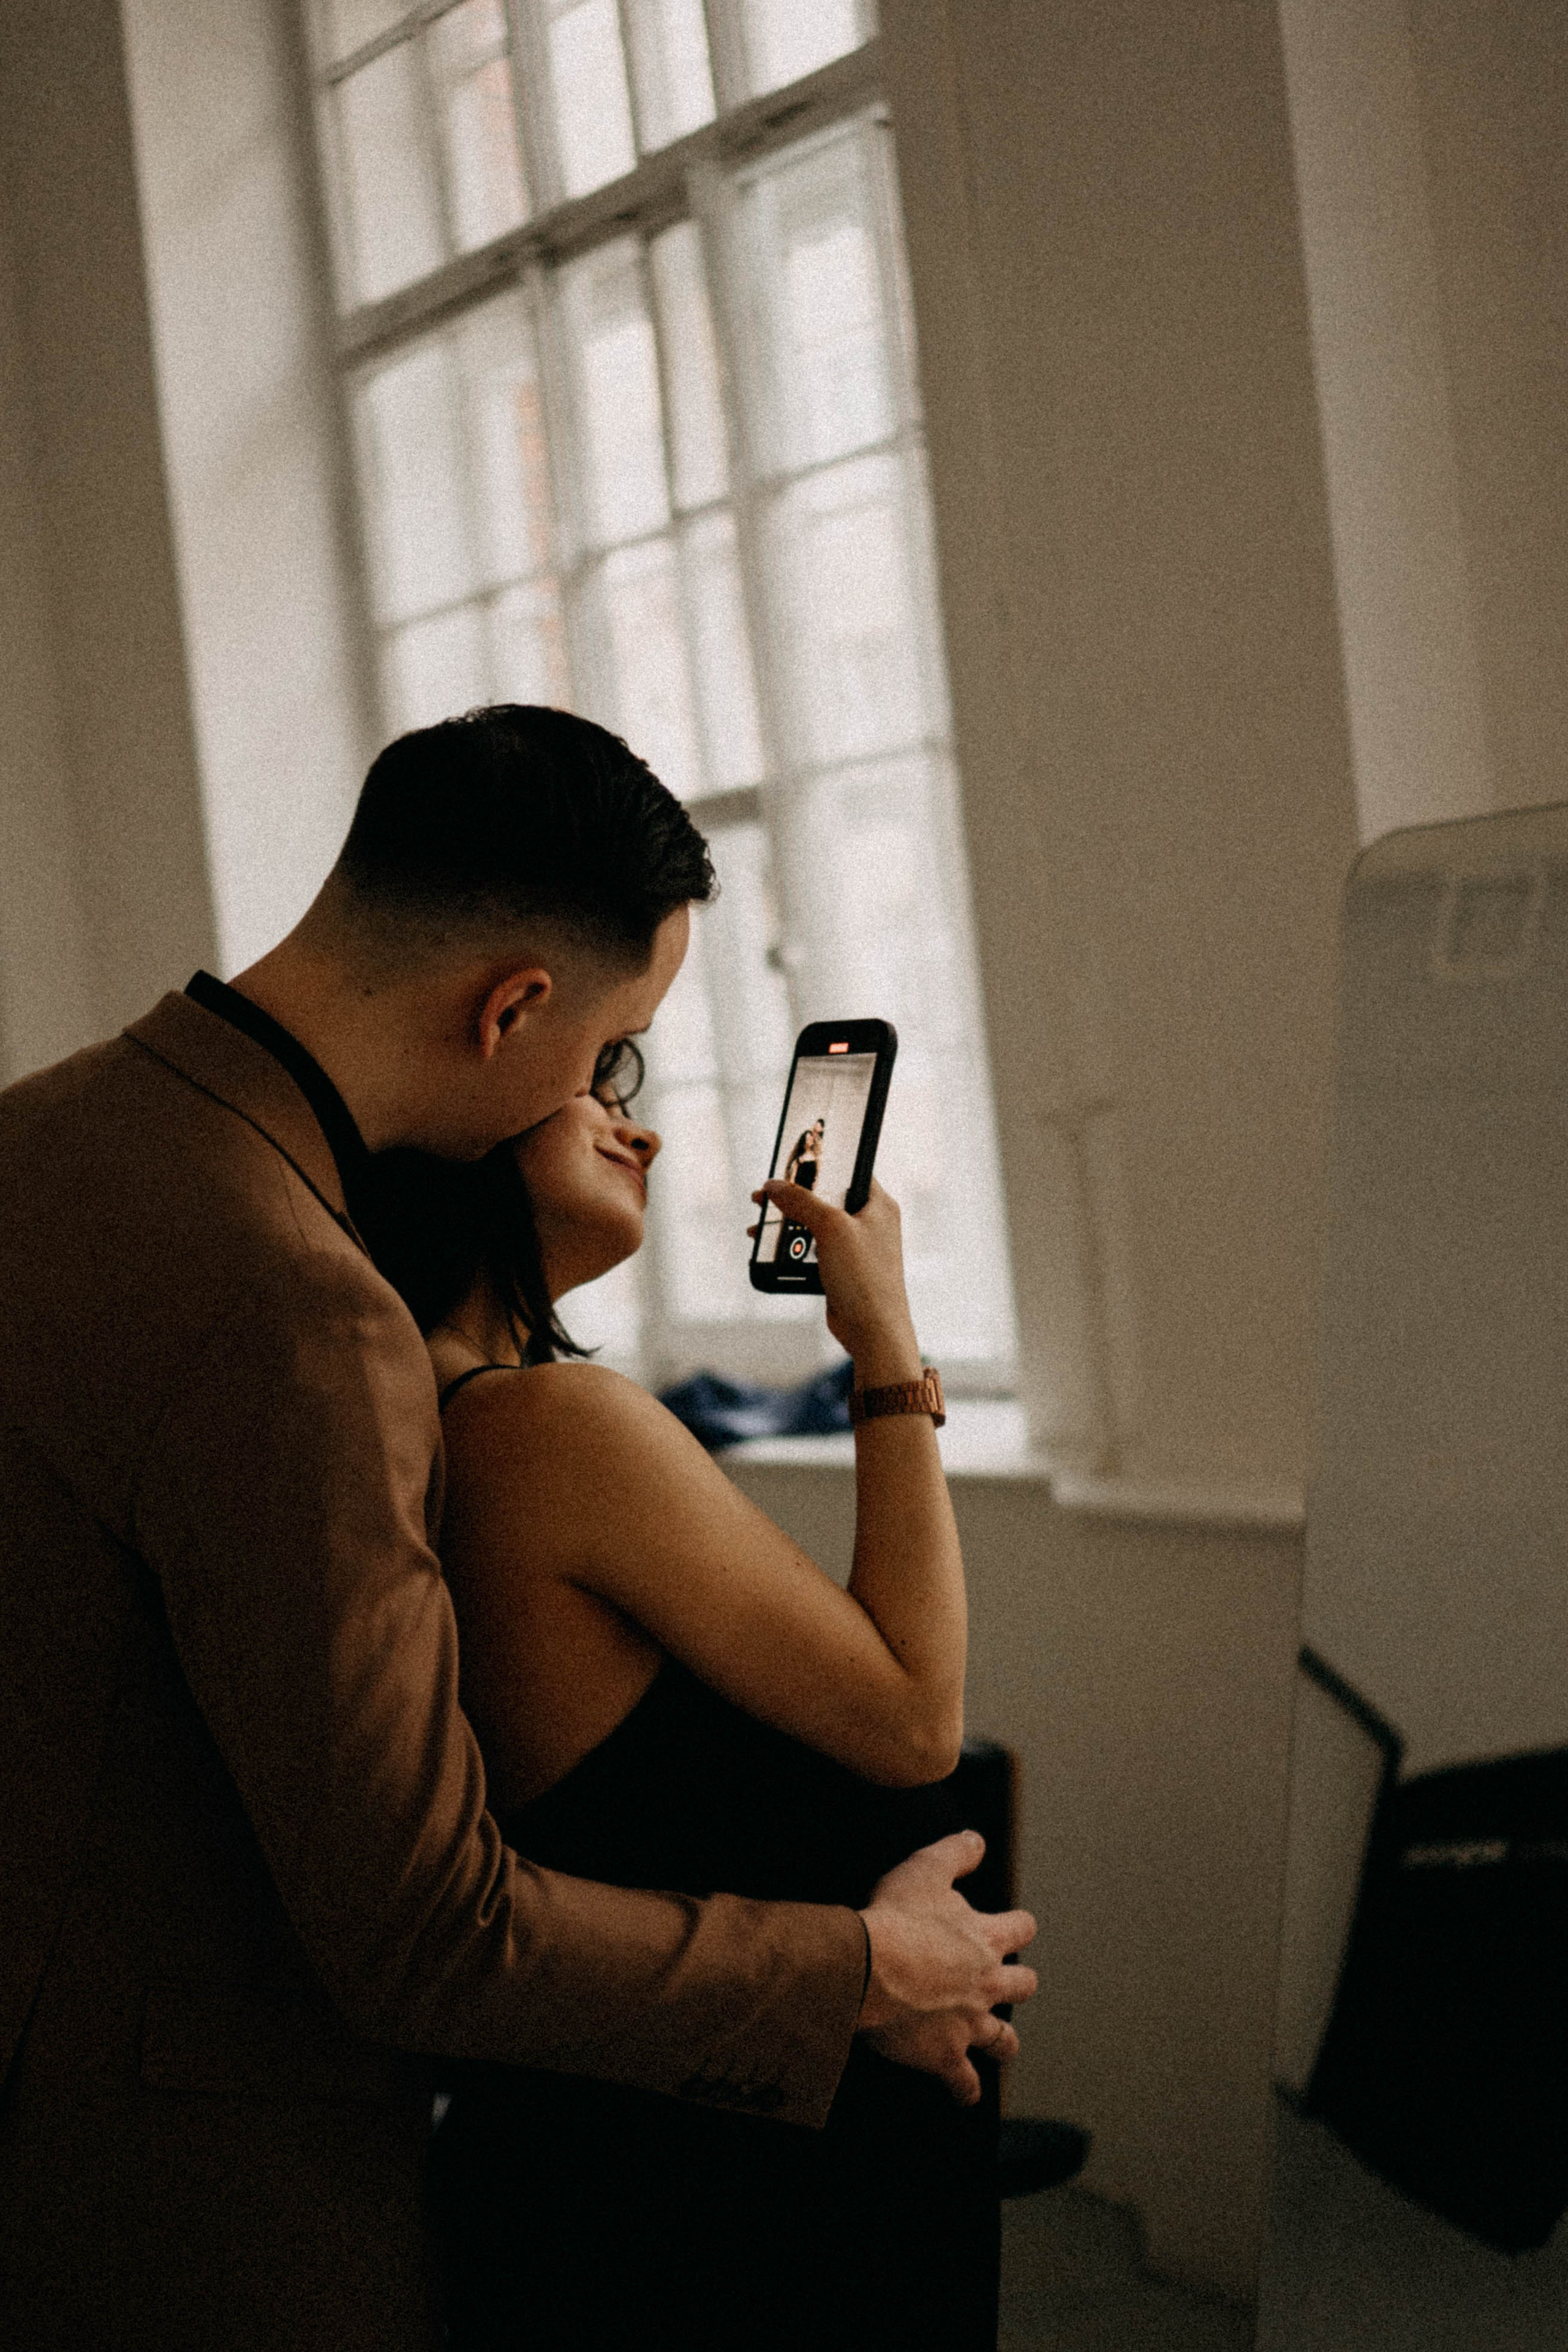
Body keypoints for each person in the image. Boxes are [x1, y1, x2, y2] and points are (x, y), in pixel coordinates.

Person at [0, 706, 1036, 2352]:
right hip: (186, 2202)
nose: (617, 1105)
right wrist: (855, 1971)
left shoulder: (41, 1139)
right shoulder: (302, 1309)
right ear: (516, 1007)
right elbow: (423, 1927)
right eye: (610, 1054)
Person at [353, 1050, 1005, 2349]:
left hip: (579, 2155)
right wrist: (882, 1335)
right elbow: (912, 1712)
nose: (638, 1139)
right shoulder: (549, 1426)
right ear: (472, 1115)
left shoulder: (403, 1420)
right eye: (595, 1096)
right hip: (720, 2188)